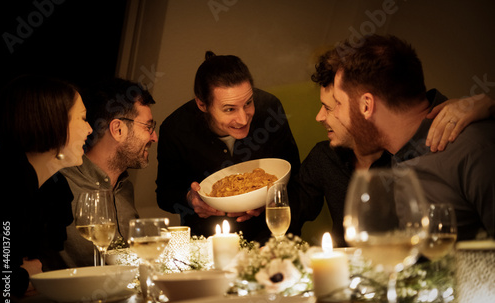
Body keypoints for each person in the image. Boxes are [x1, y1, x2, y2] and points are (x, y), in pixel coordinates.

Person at [312, 34, 495, 240]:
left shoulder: (475, 150)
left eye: (338, 103)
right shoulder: (397, 154)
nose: (333, 115)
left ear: (366, 105)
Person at [156, 51, 300, 243]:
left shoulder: (270, 109)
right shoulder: (176, 129)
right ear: (202, 104)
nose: (243, 118)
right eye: (229, 109)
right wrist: (190, 199)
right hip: (207, 243)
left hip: (271, 236)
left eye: (248, 103)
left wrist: (273, 200)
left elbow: (296, 175)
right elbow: (164, 194)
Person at [0, 75, 92, 296]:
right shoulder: (6, 182)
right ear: (52, 120)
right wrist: (23, 276)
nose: (90, 129)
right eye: (83, 118)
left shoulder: (53, 189)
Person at [50, 78, 158, 269]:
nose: (154, 137)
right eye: (148, 127)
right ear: (118, 129)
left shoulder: (125, 188)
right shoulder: (58, 185)